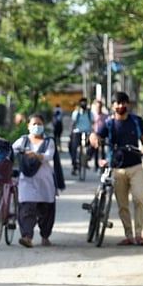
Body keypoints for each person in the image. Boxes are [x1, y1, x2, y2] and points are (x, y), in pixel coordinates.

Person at [90, 91, 143, 246]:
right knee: (122, 205)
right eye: (118, 103)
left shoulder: (136, 121)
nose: (121, 106)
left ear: (128, 105)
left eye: (124, 103)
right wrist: (94, 140)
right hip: (116, 168)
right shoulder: (109, 124)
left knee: (139, 199)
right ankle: (129, 235)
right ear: (113, 106)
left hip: (135, 166)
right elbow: (96, 135)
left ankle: (139, 234)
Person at [11, 114, 58, 247]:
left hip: (45, 182)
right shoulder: (23, 141)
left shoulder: (49, 142)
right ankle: (27, 237)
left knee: (46, 210)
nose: (36, 127)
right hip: (27, 180)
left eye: (39, 124)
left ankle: (45, 236)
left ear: (43, 126)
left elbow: (49, 156)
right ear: (28, 126)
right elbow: (11, 151)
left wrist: (36, 155)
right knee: (26, 208)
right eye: (34, 124)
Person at [69, 97, 93, 175]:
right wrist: (71, 133)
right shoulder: (76, 113)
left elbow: (93, 123)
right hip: (77, 132)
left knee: (93, 145)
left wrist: (93, 132)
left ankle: (86, 159)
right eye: (82, 103)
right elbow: (73, 123)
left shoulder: (90, 113)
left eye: (85, 103)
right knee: (73, 147)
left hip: (87, 132)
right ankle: (74, 165)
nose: (83, 104)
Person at [90, 99, 109, 171]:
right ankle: (96, 165)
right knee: (96, 150)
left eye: (100, 106)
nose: (99, 108)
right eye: (97, 106)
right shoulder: (93, 115)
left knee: (103, 151)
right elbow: (91, 124)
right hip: (95, 134)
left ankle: (103, 165)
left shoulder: (105, 116)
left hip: (103, 135)